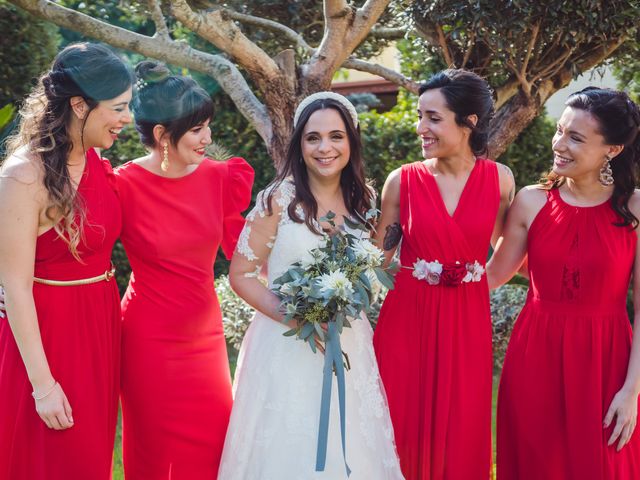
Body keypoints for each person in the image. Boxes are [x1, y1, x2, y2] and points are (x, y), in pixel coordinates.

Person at [218, 92, 404, 479]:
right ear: (299, 144)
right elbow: (241, 275)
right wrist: (298, 317)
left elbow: (370, 267)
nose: (325, 148)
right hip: (286, 345)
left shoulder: (364, 201)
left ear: (351, 142)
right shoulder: (277, 200)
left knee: (352, 443)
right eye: (313, 138)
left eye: (336, 136)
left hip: (349, 344)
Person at [488, 87, 640, 479]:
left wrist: (631, 391)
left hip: (608, 360)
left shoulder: (635, 210)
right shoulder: (531, 201)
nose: (560, 144)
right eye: (559, 131)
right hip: (534, 356)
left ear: (613, 149)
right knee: (537, 465)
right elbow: (492, 276)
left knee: (606, 466)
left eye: (576, 137)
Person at [372, 69, 515, 479]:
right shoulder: (402, 181)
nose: (421, 128)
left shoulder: (501, 180)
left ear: (469, 122)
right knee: (399, 420)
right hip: (407, 318)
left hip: (466, 319)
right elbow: (379, 260)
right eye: (420, 116)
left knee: (461, 421)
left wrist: (477, 280)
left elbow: (508, 244)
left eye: (433, 118)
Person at [114, 61, 254, 479]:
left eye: (208, 126)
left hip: (204, 337)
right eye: (197, 130)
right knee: (154, 451)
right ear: (161, 135)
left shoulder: (220, 177)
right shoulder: (120, 184)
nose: (208, 138)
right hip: (146, 338)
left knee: (214, 442)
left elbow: (245, 250)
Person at [0, 43, 132, 479]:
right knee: (49, 458)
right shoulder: (22, 175)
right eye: (118, 108)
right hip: (47, 337)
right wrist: (43, 386)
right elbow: (14, 285)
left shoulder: (96, 160)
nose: (127, 119)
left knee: (90, 457)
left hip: (99, 324)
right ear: (80, 105)